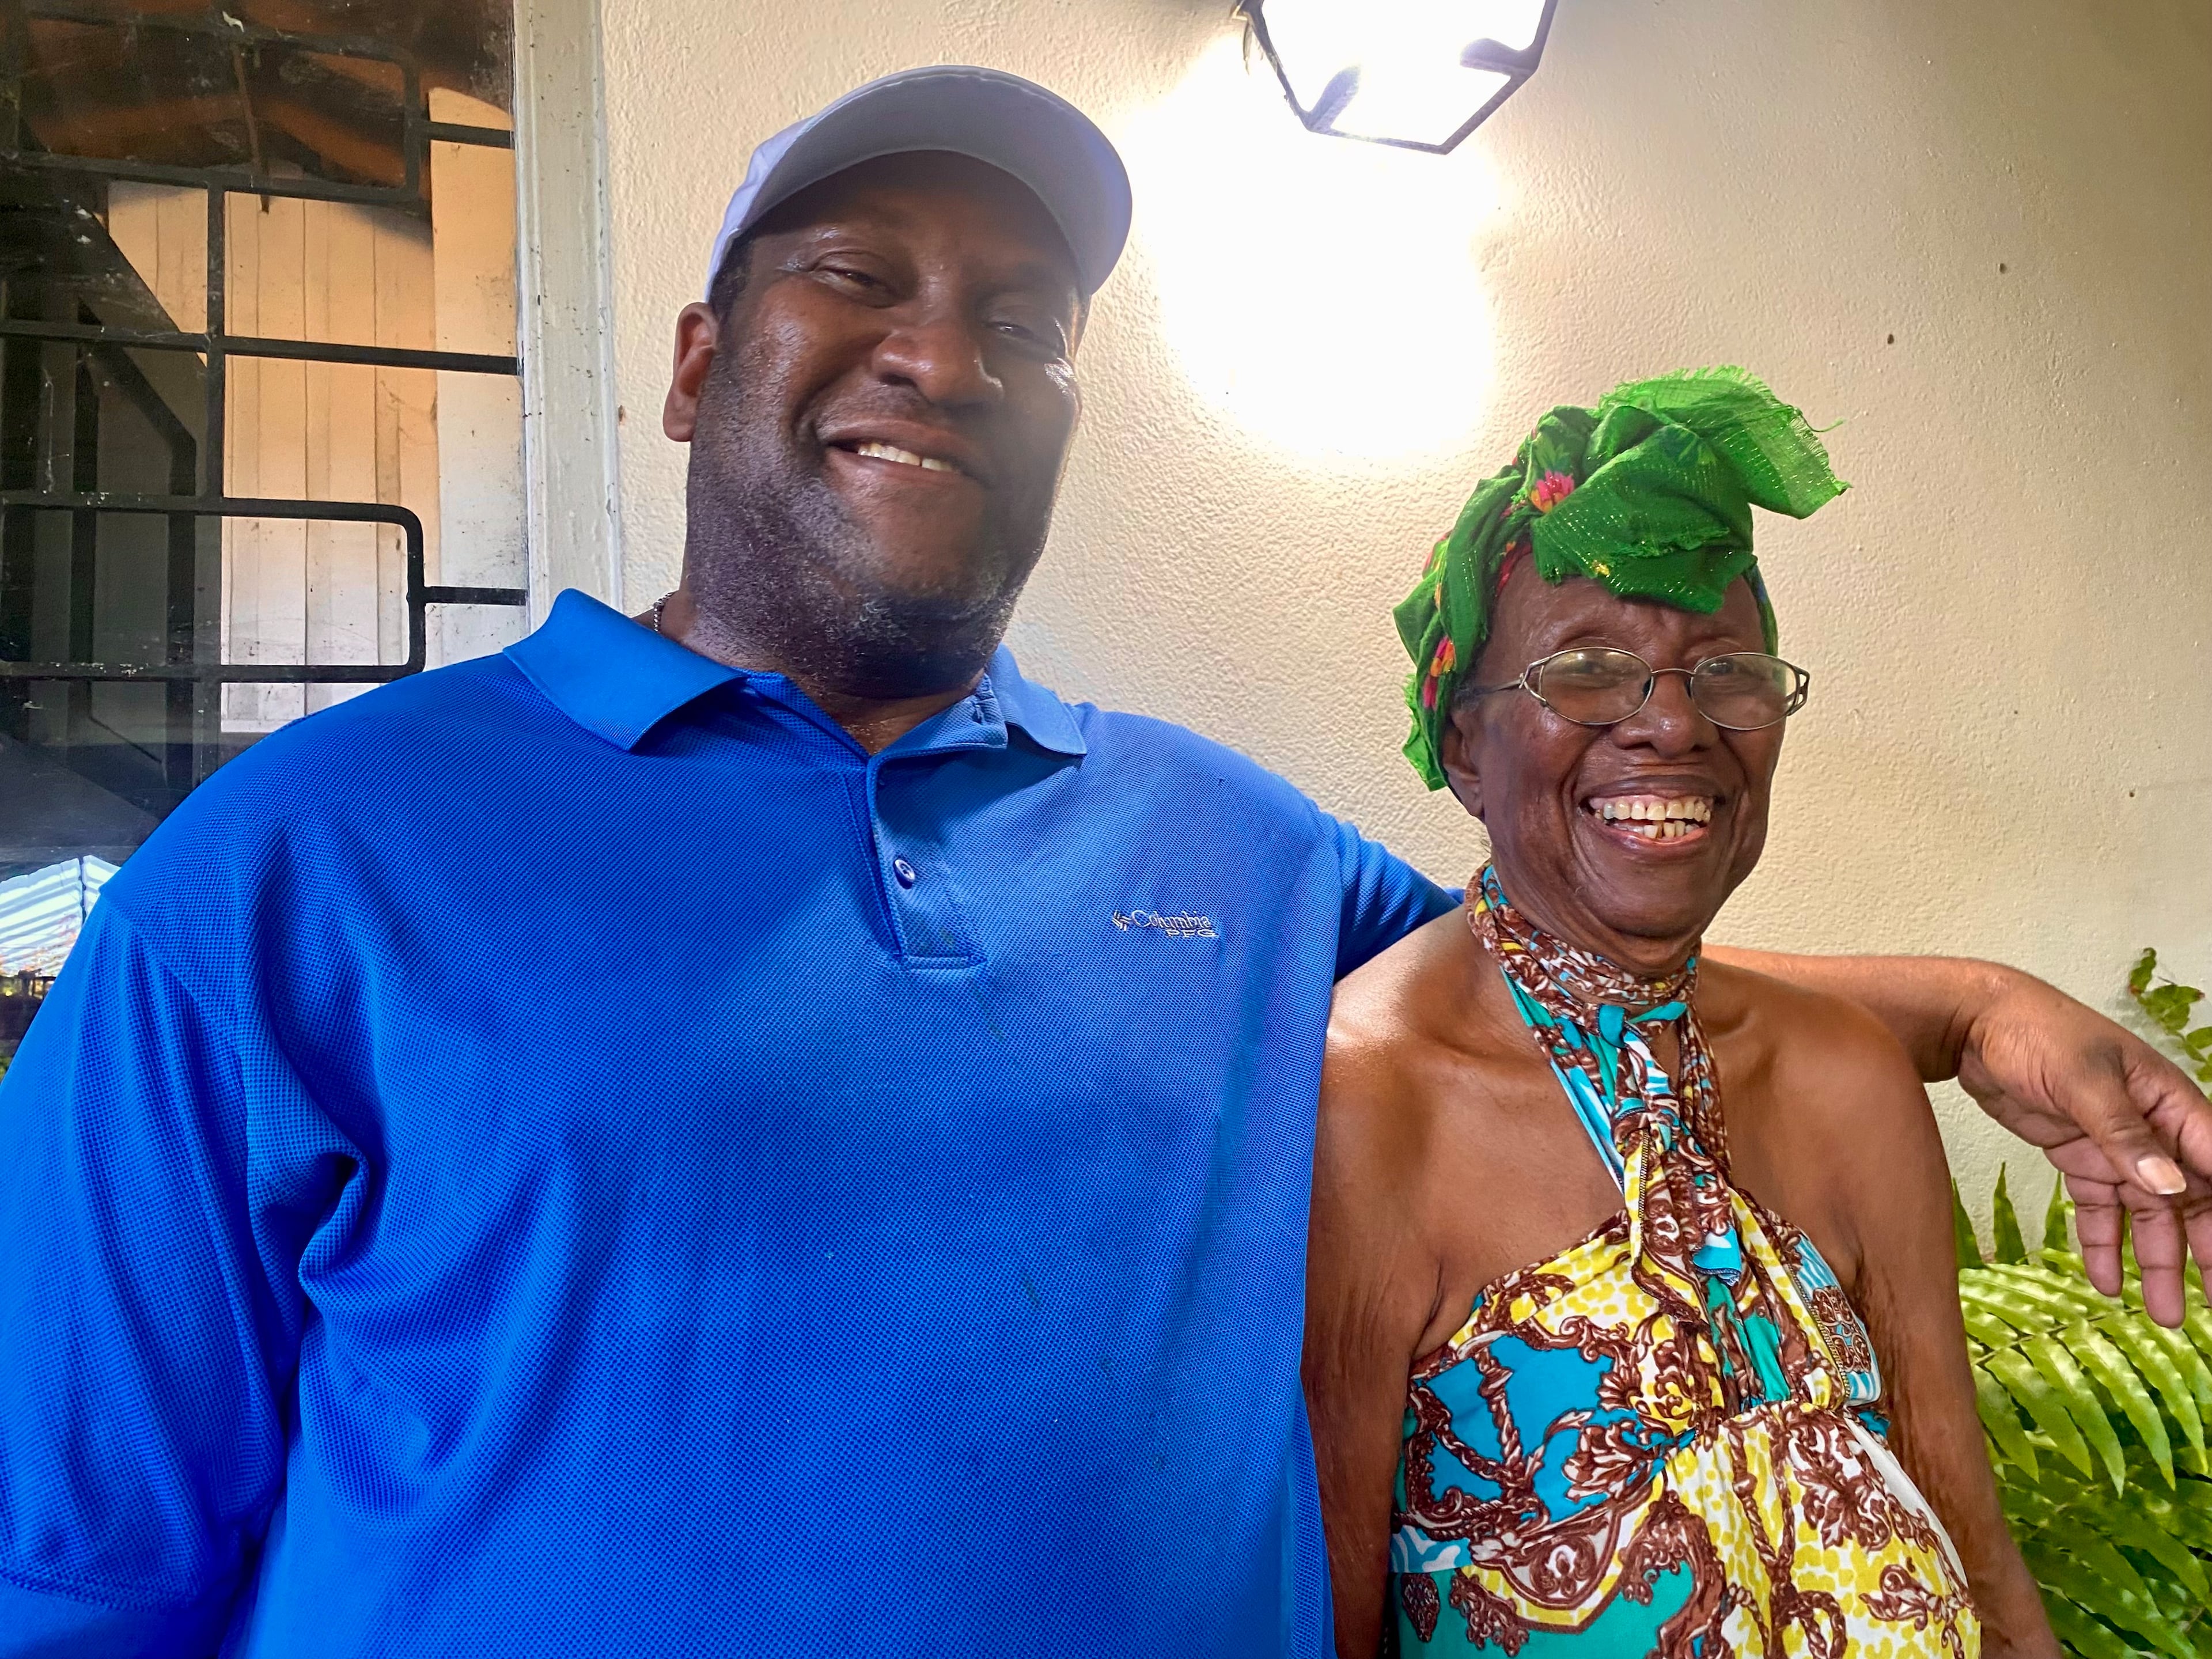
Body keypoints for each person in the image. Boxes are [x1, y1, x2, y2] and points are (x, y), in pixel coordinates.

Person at [0, 67, 2199, 1659]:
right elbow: (79, 1573)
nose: (943, 352)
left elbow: (1561, 988)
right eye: (856, 275)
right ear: (694, 368)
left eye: (1026, 321)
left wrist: (1971, 1003)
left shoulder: (1213, 843)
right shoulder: (295, 863)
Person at [1307, 369, 2056, 1657]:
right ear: (1465, 745)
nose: (1671, 724)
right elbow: (1331, 1618)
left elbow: (1973, 1548)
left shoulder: (1847, 1074)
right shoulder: (1365, 1107)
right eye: (1587, 672)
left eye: (1727, 671)